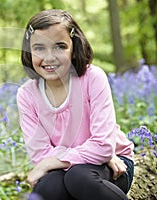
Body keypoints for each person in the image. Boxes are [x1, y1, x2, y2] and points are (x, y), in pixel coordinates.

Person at [17, 9, 134, 200]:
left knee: (78, 177)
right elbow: (40, 155)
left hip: (114, 166)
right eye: (39, 48)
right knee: (47, 188)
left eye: (59, 46)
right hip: (67, 169)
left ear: (74, 48)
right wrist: (82, 156)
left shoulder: (92, 78)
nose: (49, 57)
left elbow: (103, 146)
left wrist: (51, 162)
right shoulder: (27, 94)